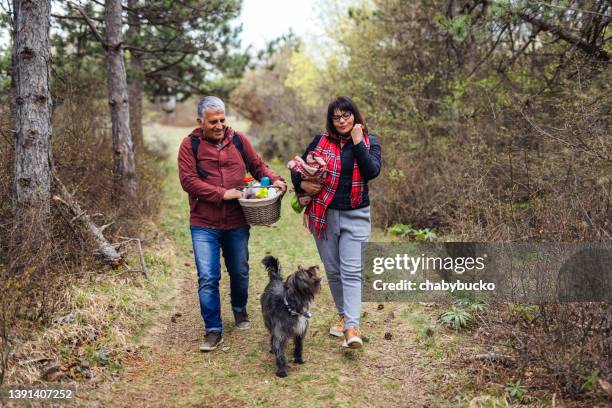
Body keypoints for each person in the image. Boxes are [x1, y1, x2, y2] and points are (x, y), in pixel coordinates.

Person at [178, 96, 286, 351]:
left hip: (237, 220)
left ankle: (239, 309)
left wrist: (276, 179)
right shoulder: (189, 145)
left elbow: (258, 165)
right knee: (208, 276)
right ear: (200, 122)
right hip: (204, 222)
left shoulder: (237, 139)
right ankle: (213, 330)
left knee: (239, 270)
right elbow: (188, 181)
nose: (219, 125)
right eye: (213, 121)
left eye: (222, 120)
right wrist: (221, 193)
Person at [291, 96, 381, 348]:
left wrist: (356, 142)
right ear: (331, 120)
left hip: (356, 215)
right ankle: (343, 315)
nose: (342, 121)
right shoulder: (320, 141)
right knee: (333, 271)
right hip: (324, 215)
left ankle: (352, 327)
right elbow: (298, 168)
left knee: (352, 272)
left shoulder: (369, 142)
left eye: (346, 115)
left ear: (355, 116)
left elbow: (371, 171)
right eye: (336, 117)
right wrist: (302, 184)